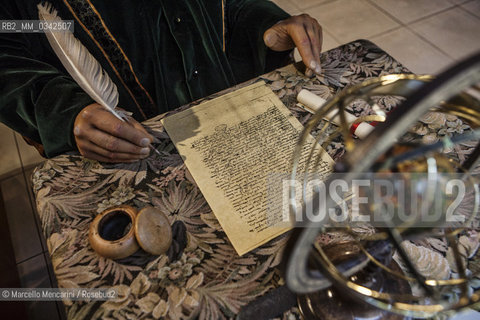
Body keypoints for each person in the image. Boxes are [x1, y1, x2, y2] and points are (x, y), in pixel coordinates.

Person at [0, 0, 323, 163]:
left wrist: (265, 26)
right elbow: (8, 52)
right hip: (125, 142)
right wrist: (63, 111)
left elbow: (225, 6)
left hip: (225, 111)